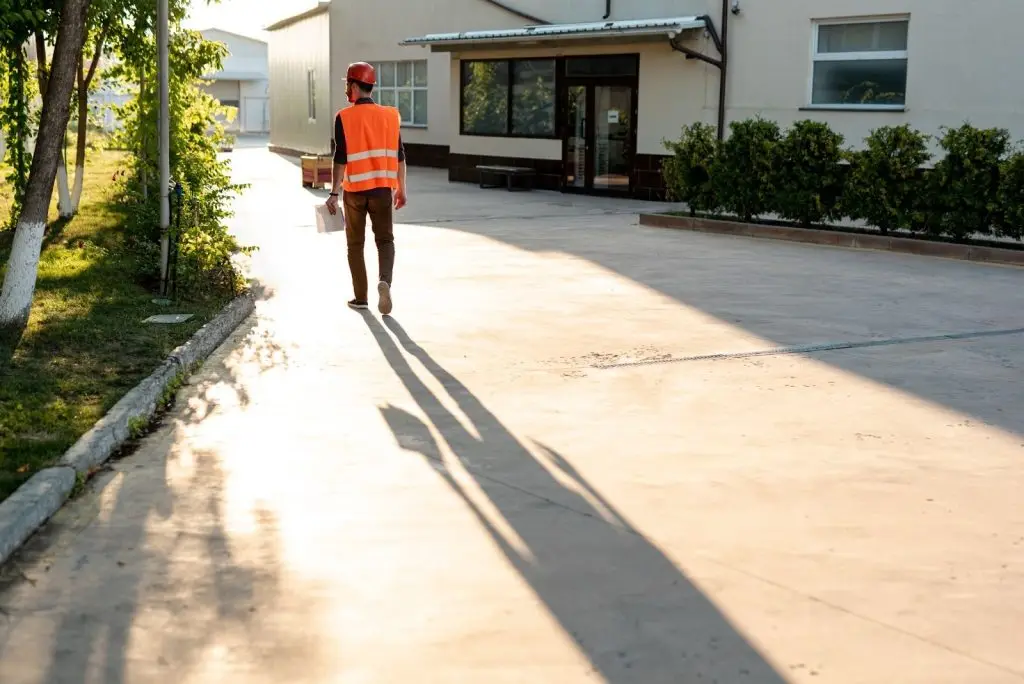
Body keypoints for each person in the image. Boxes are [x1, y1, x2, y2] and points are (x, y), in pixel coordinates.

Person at [325, 61, 408, 315]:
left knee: (355, 245)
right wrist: (401, 189)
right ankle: (385, 281)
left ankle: (361, 298)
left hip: (354, 192)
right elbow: (400, 156)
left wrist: (333, 192)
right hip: (383, 190)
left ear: (352, 85)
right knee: (385, 240)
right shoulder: (391, 116)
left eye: (347, 85)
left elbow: (340, 158)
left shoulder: (344, 117)